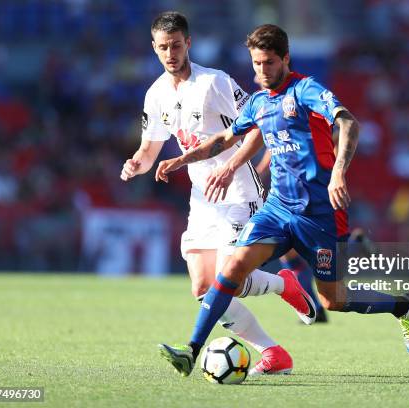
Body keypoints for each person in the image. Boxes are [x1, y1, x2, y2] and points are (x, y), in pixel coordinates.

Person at [154, 24, 409, 376]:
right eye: (256, 64)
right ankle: (191, 350)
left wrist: (339, 172)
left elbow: (348, 122)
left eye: (268, 63)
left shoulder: (305, 90)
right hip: (278, 209)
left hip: (319, 214)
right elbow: (222, 138)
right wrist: (182, 159)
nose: (261, 72)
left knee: (333, 300)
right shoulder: (258, 103)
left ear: (285, 59)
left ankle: (402, 306)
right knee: (233, 268)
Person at [121, 12, 318, 376]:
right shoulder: (156, 95)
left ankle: (283, 285)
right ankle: (274, 350)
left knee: (232, 279)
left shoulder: (215, 83)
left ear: (188, 43)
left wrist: (229, 167)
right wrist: (136, 163)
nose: (170, 53)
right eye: (163, 47)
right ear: (154, 48)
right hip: (203, 199)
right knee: (202, 287)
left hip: (240, 190)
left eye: (176, 45)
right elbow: (149, 151)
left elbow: (262, 122)